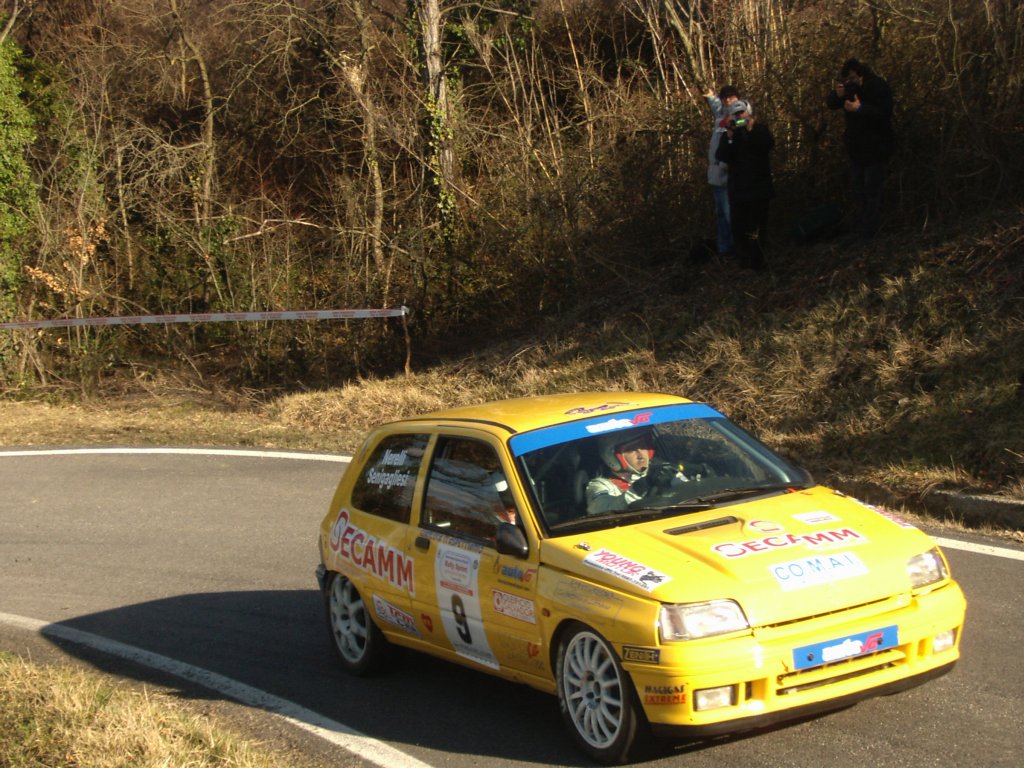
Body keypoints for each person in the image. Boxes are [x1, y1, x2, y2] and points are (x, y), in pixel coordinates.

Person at [826, 58, 894, 243]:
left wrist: (860, 108)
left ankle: (870, 232)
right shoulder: (851, 90)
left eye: (852, 78)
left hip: (877, 148)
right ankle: (862, 229)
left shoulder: (878, 86)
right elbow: (831, 103)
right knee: (859, 191)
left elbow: (884, 113)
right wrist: (838, 95)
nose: (850, 82)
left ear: (860, 74)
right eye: (846, 79)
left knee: (872, 191)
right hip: (856, 149)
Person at [715, 100, 774, 271]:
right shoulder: (730, 133)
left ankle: (758, 261)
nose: (739, 117)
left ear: (749, 113)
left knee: (757, 228)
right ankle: (744, 260)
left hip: (759, 189)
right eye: (736, 114)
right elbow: (722, 156)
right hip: (738, 190)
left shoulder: (760, 129)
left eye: (742, 113)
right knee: (739, 228)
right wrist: (729, 137)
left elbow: (767, 145)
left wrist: (751, 129)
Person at [585, 431, 689, 514]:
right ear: (613, 457)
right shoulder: (600, 485)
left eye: (643, 446)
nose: (641, 455)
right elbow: (599, 510)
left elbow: (689, 493)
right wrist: (638, 488)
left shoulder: (661, 469)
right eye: (631, 450)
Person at [704, 85, 741, 258]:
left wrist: (733, 124)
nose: (728, 100)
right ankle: (724, 248)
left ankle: (735, 247)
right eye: (725, 97)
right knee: (721, 214)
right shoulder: (721, 115)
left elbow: (746, 120)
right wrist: (710, 96)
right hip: (716, 174)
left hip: (728, 174)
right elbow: (718, 107)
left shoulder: (740, 113)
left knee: (730, 214)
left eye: (731, 97)